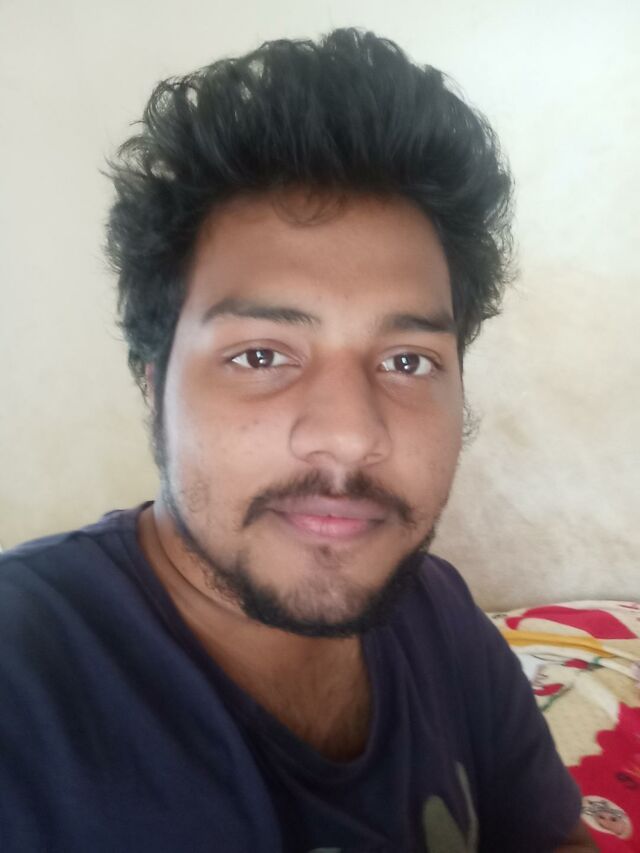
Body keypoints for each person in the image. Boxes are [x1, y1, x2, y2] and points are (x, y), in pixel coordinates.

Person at [0, 28, 598, 852]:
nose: (350, 437)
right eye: (260, 355)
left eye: (407, 359)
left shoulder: (437, 609)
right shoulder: (26, 676)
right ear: (152, 380)